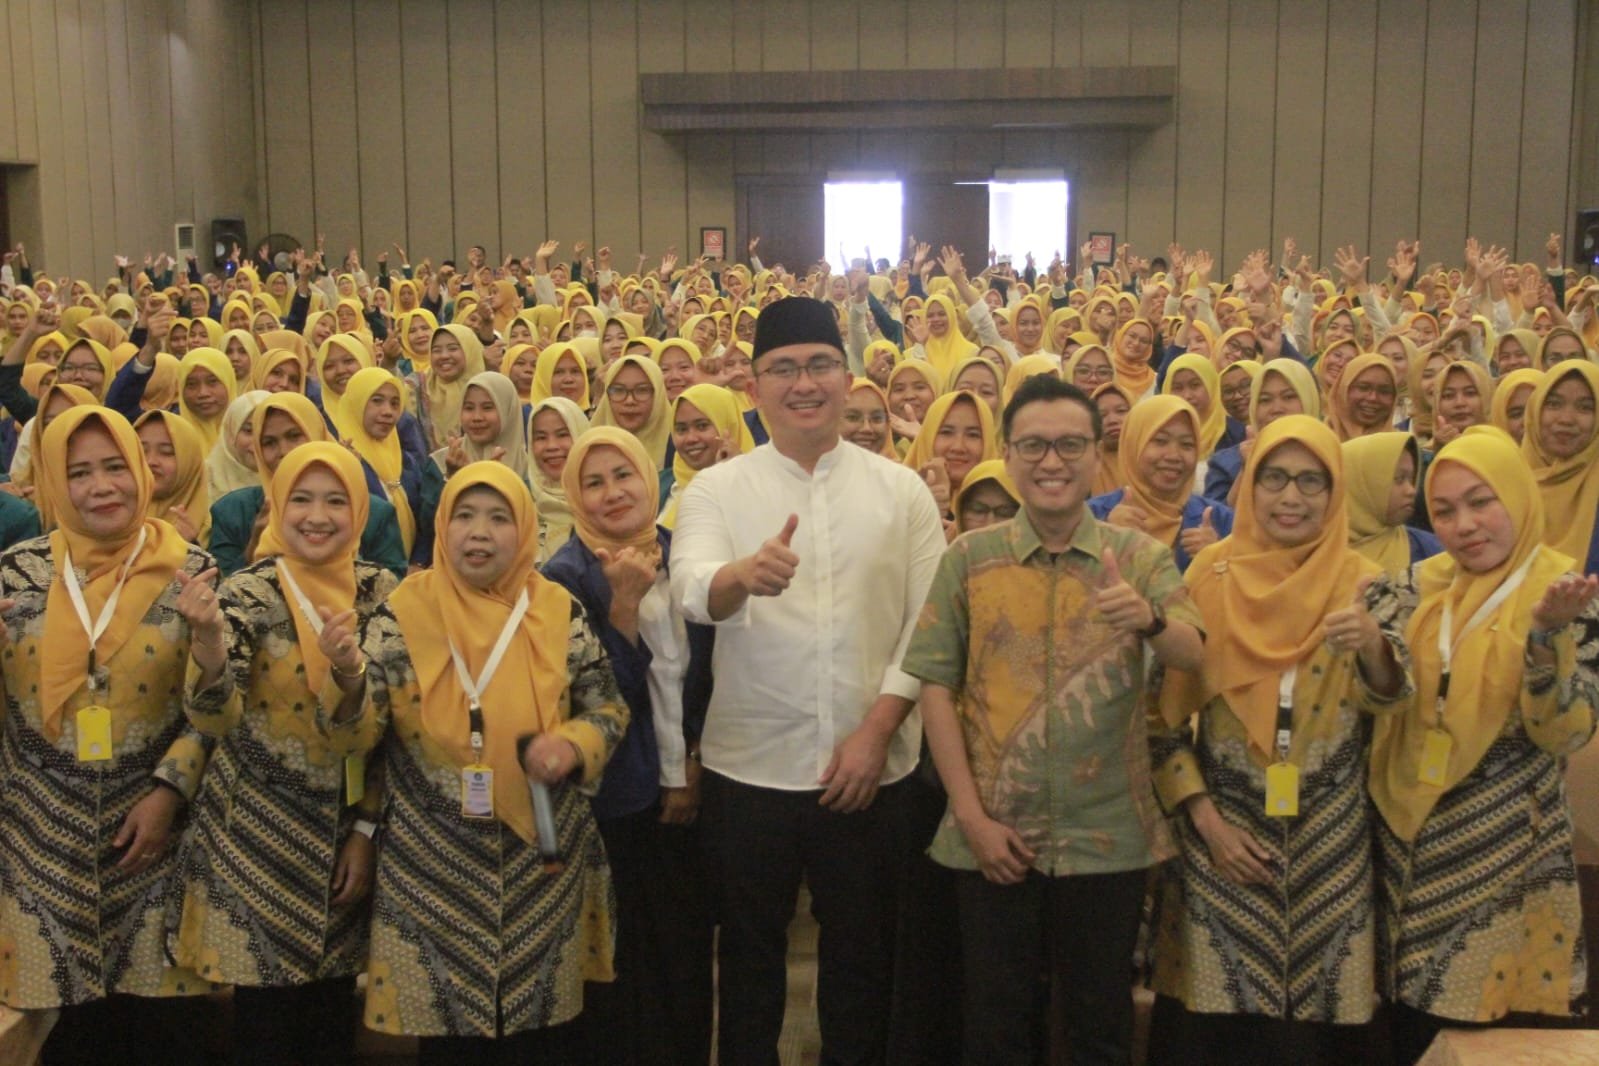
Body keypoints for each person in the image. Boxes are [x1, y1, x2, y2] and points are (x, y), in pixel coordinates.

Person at [670, 297, 945, 1063]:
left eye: (820, 365)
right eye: (783, 368)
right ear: (754, 386)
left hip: (871, 772)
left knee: (862, 967)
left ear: (847, 378)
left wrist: (876, 733)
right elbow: (690, 586)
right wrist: (740, 576)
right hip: (749, 771)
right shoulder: (716, 491)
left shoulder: (901, 493)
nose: (803, 383)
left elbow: (928, 628)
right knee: (748, 966)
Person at [901, 373, 1205, 1066]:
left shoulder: (1139, 558)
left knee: (1099, 1023)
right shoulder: (969, 559)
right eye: (1033, 445)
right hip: (995, 832)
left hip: (1108, 837)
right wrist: (970, 818)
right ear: (1008, 455)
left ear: (1097, 455)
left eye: (1070, 445)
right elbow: (936, 687)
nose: (1051, 462)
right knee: (996, 1022)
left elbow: (1193, 652)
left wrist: (1148, 620)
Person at [1145, 415, 1411, 1065]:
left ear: (1335, 491)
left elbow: (1394, 703)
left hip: (1331, 848)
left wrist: (1372, 646)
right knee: (1213, 1028)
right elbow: (1161, 720)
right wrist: (1208, 824)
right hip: (1219, 845)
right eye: (1274, 478)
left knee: (1312, 1035)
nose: (1291, 497)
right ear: (1249, 485)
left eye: (1311, 481)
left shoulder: (1367, 582)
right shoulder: (1208, 575)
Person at [346, 461, 627, 1059]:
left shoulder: (558, 610)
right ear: (442, 526)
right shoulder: (401, 614)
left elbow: (607, 708)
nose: (479, 532)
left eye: (499, 518)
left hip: (540, 862)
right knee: (449, 1037)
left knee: (539, 1036)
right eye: (465, 516)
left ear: (523, 530)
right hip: (430, 866)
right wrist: (346, 678)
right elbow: (361, 735)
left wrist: (573, 745)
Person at [1372, 427, 1598, 1063]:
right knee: (1409, 1027)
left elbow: (1567, 731)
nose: (1464, 525)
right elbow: (1379, 699)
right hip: (1408, 846)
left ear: (1518, 497)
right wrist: (1366, 650)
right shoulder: (1410, 588)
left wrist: (1545, 641)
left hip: (1508, 852)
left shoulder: (1565, 596)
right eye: (1444, 510)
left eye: (1481, 501)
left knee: (1485, 1033)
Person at [0, 406, 217, 1065]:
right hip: (41, 840)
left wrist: (168, 793)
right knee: (71, 1036)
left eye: (115, 466)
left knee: (163, 1030)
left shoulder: (192, 572)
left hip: (156, 843)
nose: (101, 487)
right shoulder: (16, 574)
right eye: (79, 473)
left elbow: (215, 708)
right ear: (53, 482)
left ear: (142, 471)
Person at [169, 442, 394, 1066]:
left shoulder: (382, 592)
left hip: (344, 833)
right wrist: (208, 642)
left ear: (359, 510)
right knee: (264, 1022)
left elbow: (393, 729)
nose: (317, 516)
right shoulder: (248, 592)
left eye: (335, 501)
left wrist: (366, 831)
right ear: (276, 506)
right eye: (300, 499)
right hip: (253, 839)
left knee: (329, 1017)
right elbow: (213, 716)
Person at [545, 427, 716, 1066]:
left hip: (695, 790)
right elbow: (592, 707)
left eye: (623, 475)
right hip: (615, 804)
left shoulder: (684, 556)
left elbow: (715, 673)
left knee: (685, 960)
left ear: (650, 479)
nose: (612, 493)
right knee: (619, 969)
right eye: (593, 482)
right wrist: (621, 609)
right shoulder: (563, 579)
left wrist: (693, 761)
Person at [208, 393, 406, 579]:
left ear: (316, 434)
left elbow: (392, 588)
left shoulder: (373, 513)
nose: (284, 451)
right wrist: (256, 547)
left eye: (294, 436)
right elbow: (220, 589)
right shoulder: (233, 512)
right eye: (269, 442)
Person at [1089, 394, 1234, 573]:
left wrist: (1218, 558)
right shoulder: (1091, 516)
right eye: (1160, 441)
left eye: (1187, 444)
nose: (1173, 456)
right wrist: (1105, 538)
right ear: (1133, 444)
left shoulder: (1220, 520)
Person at [1341, 431, 1442, 575]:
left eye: (1411, 479)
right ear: (1360, 486)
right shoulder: (1317, 555)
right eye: (1399, 479)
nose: (1411, 490)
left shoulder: (1431, 552)